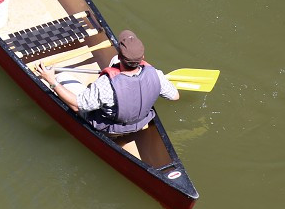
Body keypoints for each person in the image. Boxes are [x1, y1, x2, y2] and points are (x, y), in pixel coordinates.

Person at [32, 30, 179, 135]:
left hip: (111, 129)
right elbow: (174, 96)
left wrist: (51, 80)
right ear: (142, 58)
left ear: (120, 57)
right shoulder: (156, 74)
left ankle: (56, 81)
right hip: (141, 123)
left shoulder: (106, 85)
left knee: (62, 76)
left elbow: (78, 104)